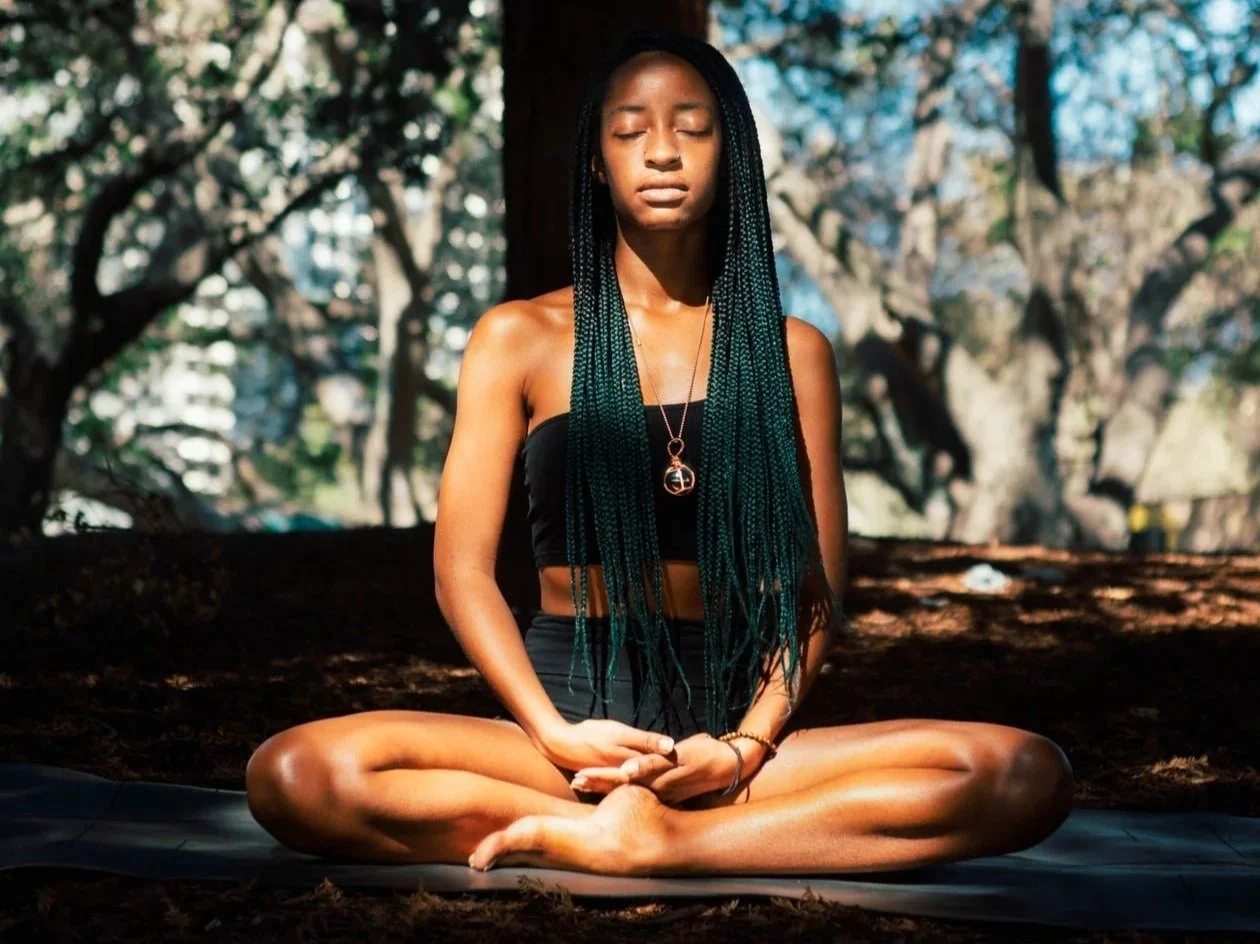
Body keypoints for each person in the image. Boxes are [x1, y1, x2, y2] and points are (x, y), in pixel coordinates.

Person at [245, 29, 1073, 877]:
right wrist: (554, 732)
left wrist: (745, 747)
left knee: (1022, 775)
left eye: (692, 126)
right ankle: (622, 823)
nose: (663, 152)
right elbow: (461, 573)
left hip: (729, 736)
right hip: (565, 726)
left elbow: (813, 592)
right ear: (597, 163)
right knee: (297, 774)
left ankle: (662, 839)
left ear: (732, 152)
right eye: (630, 130)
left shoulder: (793, 354)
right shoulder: (519, 338)